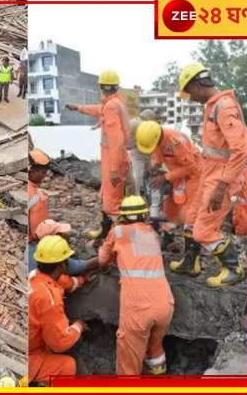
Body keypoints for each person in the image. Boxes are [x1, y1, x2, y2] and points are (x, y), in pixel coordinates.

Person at [175, 62, 247, 287]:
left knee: (203, 231)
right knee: (190, 219)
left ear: (198, 85)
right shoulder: (212, 105)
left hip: (221, 180)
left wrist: (222, 187)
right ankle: (191, 263)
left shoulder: (224, 107)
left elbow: (241, 150)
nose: (192, 99)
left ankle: (233, 267)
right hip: (210, 175)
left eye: (190, 93)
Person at [98, 196, 174, 375]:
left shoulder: (117, 232)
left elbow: (103, 260)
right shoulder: (152, 234)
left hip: (138, 309)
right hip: (165, 304)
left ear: (123, 215)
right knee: (155, 349)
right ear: (145, 214)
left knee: (129, 363)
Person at [66, 70, 131, 246]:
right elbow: (97, 110)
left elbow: (117, 142)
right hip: (112, 159)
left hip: (114, 160)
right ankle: (105, 230)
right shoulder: (114, 103)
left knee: (113, 204)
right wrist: (78, 107)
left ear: (101, 87)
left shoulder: (111, 106)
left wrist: (115, 170)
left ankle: (117, 242)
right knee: (105, 196)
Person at [135, 121, 202, 263]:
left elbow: (192, 167)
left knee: (188, 214)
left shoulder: (176, 142)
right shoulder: (157, 139)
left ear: (158, 137)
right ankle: (168, 239)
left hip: (193, 177)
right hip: (177, 175)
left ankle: (191, 258)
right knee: (170, 209)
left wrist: (164, 177)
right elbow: (160, 155)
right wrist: (156, 166)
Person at [28, 235, 87, 385]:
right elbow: (60, 342)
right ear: (62, 265)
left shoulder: (34, 276)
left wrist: (82, 280)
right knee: (68, 365)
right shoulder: (49, 300)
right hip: (30, 355)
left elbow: (62, 282)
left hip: (31, 339)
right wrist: (78, 326)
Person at [28, 149, 51, 270]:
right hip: (32, 243)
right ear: (31, 170)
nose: (44, 175)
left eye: (45, 172)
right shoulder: (29, 192)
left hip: (40, 239)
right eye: (42, 172)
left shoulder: (36, 190)